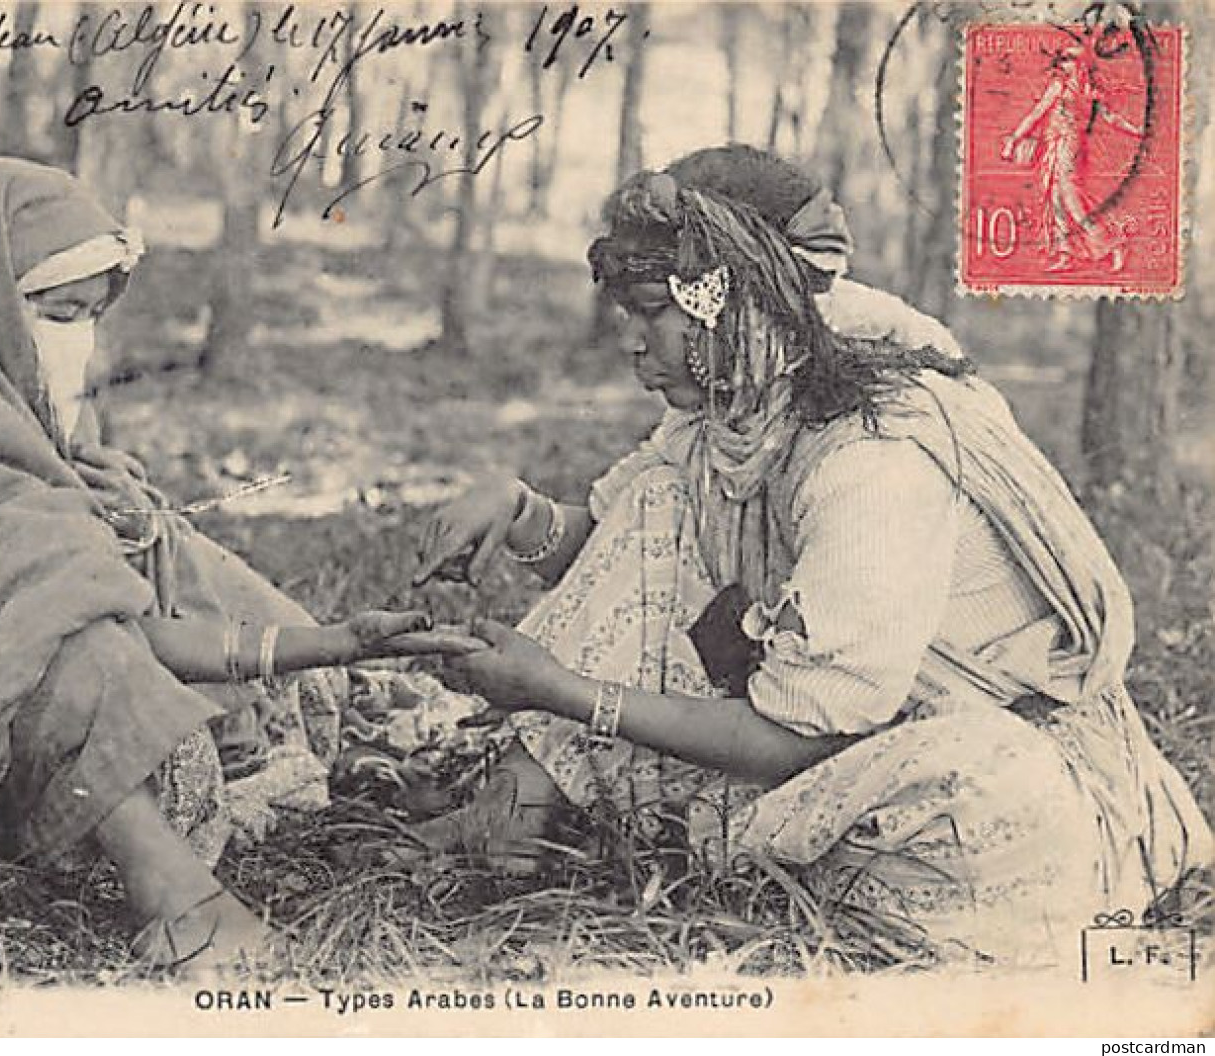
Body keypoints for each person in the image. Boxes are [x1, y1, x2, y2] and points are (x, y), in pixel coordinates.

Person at [411, 146, 1212, 965]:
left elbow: (800, 733)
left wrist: (565, 693)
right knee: (656, 497)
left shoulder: (875, 452)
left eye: (653, 310)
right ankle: (522, 806)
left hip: (963, 755)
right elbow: (628, 550)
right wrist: (518, 511)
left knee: (992, 790)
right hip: (841, 729)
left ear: (738, 305)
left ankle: (656, 835)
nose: (632, 343)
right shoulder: (741, 391)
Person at [0, 159, 479, 969]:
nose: (81, 343)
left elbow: (121, 609)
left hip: (3, 672)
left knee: (146, 553)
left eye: (92, 316)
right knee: (42, 584)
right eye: (57, 313)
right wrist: (60, 556)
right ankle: (180, 905)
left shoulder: (27, 410)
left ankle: (386, 749)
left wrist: (331, 642)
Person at [1000, 41, 1143, 273]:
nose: (1062, 64)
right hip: (1057, 145)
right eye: (1062, 60)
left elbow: (1110, 118)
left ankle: (1112, 244)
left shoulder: (1076, 89)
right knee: (1056, 198)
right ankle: (1065, 253)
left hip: (1068, 147)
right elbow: (1039, 114)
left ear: (1079, 65)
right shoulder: (1076, 88)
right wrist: (1015, 138)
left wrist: (1136, 131)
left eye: (1067, 60)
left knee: (1070, 200)